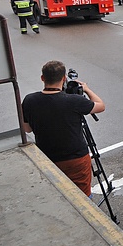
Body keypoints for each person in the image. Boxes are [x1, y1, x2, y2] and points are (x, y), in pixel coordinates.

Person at [21, 60, 105, 196]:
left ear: (42, 78)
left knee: (57, 195)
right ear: (64, 78)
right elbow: (100, 106)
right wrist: (87, 89)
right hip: (76, 159)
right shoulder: (74, 101)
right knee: (82, 197)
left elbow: (27, 129)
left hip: (47, 159)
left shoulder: (29, 100)